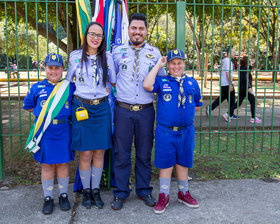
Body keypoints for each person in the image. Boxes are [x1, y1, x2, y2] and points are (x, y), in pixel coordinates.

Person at [111, 13, 166, 210]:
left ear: (145, 31)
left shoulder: (155, 53)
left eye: (141, 29)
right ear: (128, 30)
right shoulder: (117, 52)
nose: (137, 32)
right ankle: (120, 192)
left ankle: (144, 190)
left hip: (145, 111)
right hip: (123, 111)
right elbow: (111, 78)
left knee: (144, 153)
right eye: (134, 28)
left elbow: (161, 81)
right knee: (121, 154)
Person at [143, 49, 203, 214]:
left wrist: (184, 117)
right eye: (172, 63)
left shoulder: (192, 83)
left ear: (184, 63)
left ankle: (183, 193)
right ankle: (164, 195)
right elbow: (147, 85)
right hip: (166, 131)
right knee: (165, 162)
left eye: (179, 63)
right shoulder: (162, 81)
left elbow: (197, 104)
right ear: (168, 65)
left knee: (183, 161)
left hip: (186, 131)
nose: (176, 66)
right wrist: (158, 65)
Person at [66, 22, 116, 209]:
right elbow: (68, 80)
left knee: (100, 151)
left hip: (101, 108)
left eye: (100, 35)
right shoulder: (75, 57)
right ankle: (86, 191)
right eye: (92, 34)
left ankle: (95, 190)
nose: (95, 38)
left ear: (103, 39)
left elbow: (113, 80)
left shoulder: (108, 57)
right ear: (86, 35)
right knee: (85, 152)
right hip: (82, 108)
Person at [23, 53, 75, 215]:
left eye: (57, 68)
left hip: (64, 131)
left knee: (63, 163)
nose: (54, 71)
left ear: (62, 69)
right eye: (50, 68)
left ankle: (63, 195)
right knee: (46, 165)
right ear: (45, 68)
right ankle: (48, 198)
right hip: (45, 132)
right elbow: (29, 106)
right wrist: (45, 117)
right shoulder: (37, 87)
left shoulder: (69, 87)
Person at [206, 48, 237, 122]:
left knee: (223, 97)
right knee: (232, 99)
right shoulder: (228, 61)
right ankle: (230, 114)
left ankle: (210, 108)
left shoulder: (224, 61)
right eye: (233, 52)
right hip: (226, 83)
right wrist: (230, 84)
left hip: (223, 83)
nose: (235, 53)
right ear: (229, 53)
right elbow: (227, 73)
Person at [233, 56, 262, 123]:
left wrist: (251, 64)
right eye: (248, 61)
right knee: (253, 102)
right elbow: (246, 78)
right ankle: (253, 118)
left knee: (238, 103)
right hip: (246, 89)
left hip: (242, 89)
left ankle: (228, 113)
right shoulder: (245, 69)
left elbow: (248, 69)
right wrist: (249, 87)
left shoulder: (241, 68)